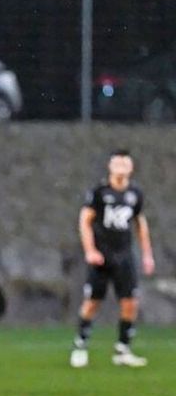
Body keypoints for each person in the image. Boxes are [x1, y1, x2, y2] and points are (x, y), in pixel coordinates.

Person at [70, 149, 155, 368]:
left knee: (130, 302)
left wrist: (147, 254)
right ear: (110, 166)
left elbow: (140, 224)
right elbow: (85, 221)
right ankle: (80, 345)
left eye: (125, 163)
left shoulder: (135, 193)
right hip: (101, 256)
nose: (121, 167)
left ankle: (122, 349)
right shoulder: (99, 192)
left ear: (131, 167)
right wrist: (90, 250)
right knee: (92, 302)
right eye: (117, 163)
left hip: (124, 255)